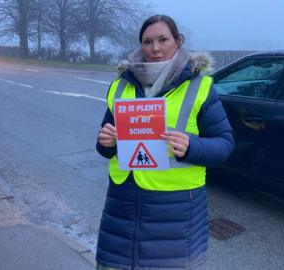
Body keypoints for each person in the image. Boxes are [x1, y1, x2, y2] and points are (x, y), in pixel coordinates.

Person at [96, 15, 235, 270]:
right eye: (147, 42)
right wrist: (106, 142)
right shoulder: (119, 86)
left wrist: (192, 147)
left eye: (163, 40)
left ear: (178, 42)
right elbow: (105, 146)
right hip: (122, 211)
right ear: (140, 45)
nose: (155, 48)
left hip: (176, 213)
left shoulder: (199, 87)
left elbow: (224, 144)